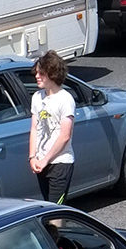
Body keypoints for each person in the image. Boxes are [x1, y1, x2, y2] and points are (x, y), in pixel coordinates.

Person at [28, 50, 76, 204]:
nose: (37, 76)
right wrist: (33, 157)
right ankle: (53, 229)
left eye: (41, 73)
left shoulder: (65, 99)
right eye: (36, 73)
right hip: (42, 162)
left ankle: (57, 229)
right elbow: (34, 129)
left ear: (52, 73)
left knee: (56, 210)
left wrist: (45, 160)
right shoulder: (37, 97)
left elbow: (65, 135)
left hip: (60, 163)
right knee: (48, 206)